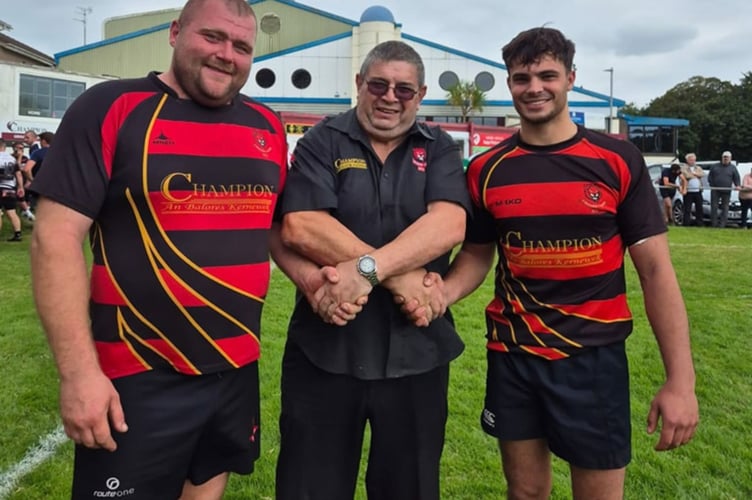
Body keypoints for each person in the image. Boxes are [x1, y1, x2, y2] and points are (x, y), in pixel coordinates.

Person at [28, 1, 341, 498]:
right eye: (212, 37)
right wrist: (78, 374)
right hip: (137, 374)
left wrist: (310, 280)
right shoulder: (111, 107)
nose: (226, 55)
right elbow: (54, 239)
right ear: (175, 33)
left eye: (241, 46)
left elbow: (269, 226)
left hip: (235, 369)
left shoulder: (265, 125)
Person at [409, 27, 699, 499]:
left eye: (548, 75)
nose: (535, 87)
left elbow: (656, 273)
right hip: (514, 356)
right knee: (525, 494)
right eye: (522, 77)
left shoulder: (616, 160)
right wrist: (441, 292)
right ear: (509, 84)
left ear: (570, 78)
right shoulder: (486, 169)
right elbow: (478, 256)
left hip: (593, 359)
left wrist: (680, 381)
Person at [275, 40, 471, 500]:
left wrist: (366, 270)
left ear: (420, 95)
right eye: (379, 84)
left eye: (404, 89)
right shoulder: (321, 140)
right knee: (309, 488)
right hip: (325, 348)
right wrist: (400, 276)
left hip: (417, 351)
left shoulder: (439, 147)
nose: (389, 96)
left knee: (410, 489)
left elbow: (450, 224)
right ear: (359, 84)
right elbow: (302, 225)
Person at [0, 139, 25, 241]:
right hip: (10, 188)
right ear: (5, 147)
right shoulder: (11, 159)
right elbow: (18, 174)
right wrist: (20, 187)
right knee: (12, 212)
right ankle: (17, 234)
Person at [708, 150, 740, 228]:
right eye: (724, 157)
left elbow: (736, 178)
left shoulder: (733, 168)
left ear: (730, 158)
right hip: (715, 190)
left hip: (726, 190)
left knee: (725, 208)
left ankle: (722, 225)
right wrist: (712, 185)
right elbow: (710, 177)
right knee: (714, 207)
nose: (725, 159)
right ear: (722, 157)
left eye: (727, 157)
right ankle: (714, 224)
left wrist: (737, 185)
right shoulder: (715, 166)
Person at [681, 153, 704, 226]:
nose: (693, 161)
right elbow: (686, 175)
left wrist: (695, 174)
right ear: (687, 160)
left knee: (699, 208)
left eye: (694, 160)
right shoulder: (683, 167)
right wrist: (696, 175)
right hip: (688, 191)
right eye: (691, 160)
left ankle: (699, 223)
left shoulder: (698, 168)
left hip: (698, 191)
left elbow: (702, 174)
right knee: (687, 209)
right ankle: (686, 223)